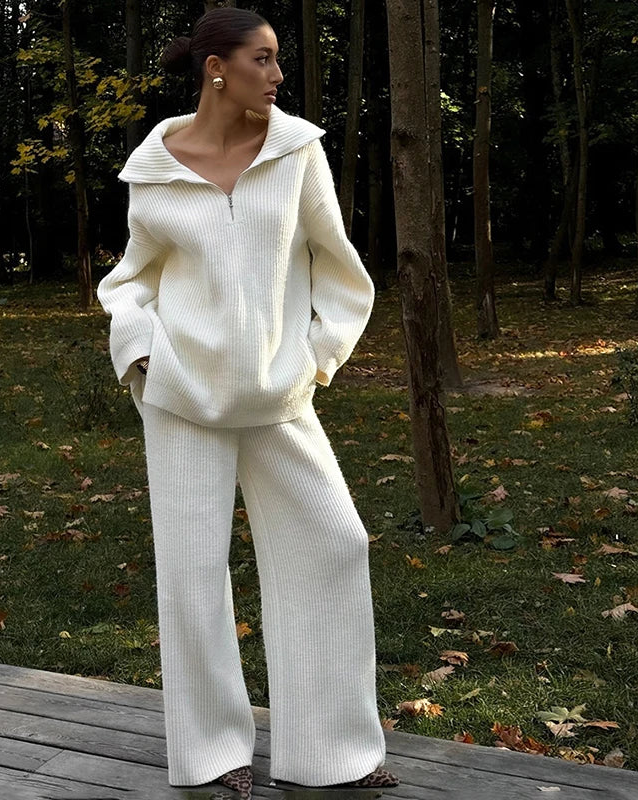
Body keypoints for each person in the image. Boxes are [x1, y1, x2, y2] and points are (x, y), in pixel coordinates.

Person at [97, 8, 400, 799]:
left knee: (336, 543)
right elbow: (130, 278)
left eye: (276, 62)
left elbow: (341, 272)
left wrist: (315, 359)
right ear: (216, 68)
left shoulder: (298, 153)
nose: (276, 75)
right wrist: (138, 353)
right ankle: (211, 753)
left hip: (278, 396)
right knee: (193, 573)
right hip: (181, 397)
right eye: (262, 60)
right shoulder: (154, 169)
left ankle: (329, 752)